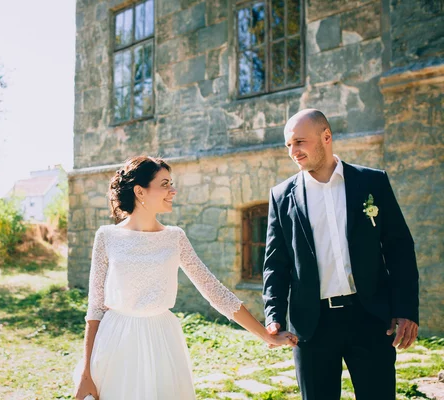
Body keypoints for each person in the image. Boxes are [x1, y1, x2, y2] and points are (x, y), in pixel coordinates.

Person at [74, 156, 297, 400]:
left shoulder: (175, 238)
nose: (173, 190)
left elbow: (215, 291)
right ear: (140, 191)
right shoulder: (107, 237)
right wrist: (86, 372)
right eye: (165, 184)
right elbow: (95, 308)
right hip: (116, 342)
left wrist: (264, 334)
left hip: (162, 340)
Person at [262, 109, 420, 399]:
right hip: (312, 325)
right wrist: (273, 315)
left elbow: (399, 248)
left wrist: (406, 309)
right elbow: (276, 263)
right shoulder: (281, 196)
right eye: (288, 145)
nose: (293, 152)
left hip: (371, 317)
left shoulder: (372, 183)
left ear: (326, 137)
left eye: (299, 142)